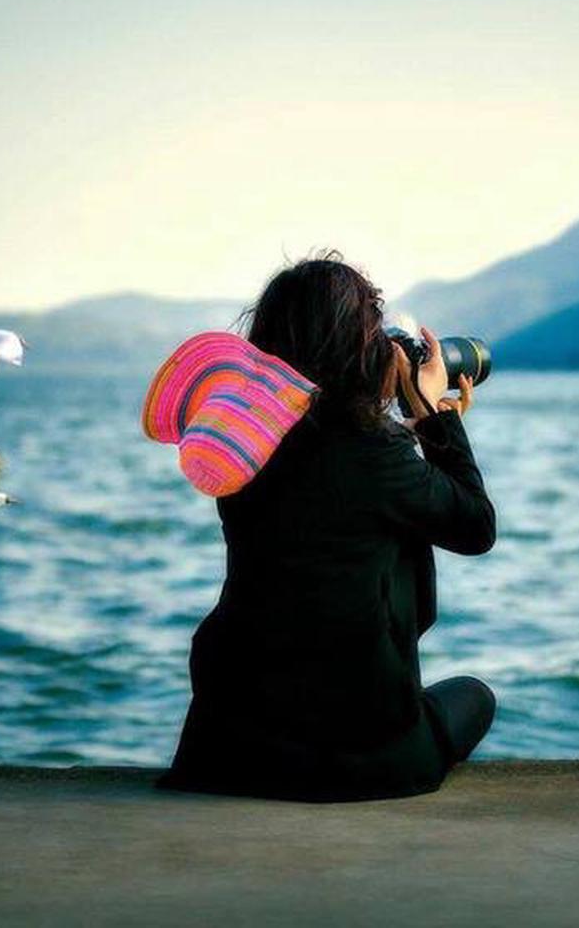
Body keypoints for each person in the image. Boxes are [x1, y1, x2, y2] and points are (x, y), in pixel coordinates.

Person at [152, 255, 497, 802]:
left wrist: (406, 429)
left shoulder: (243, 448)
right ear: (359, 347)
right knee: (474, 696)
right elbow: (475, 527)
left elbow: (328, 481)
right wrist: (434, 414)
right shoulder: (377, 453)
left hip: (228, 750)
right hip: (361, 755)